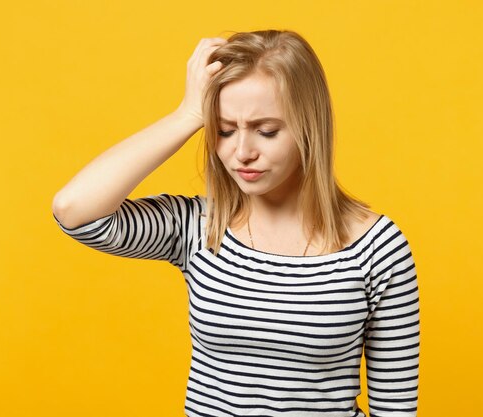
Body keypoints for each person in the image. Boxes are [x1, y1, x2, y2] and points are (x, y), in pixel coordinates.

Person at [52, 29, 420, 417]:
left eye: (267, 131)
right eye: (225, 130)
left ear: (309, 127)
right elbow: (74, 209)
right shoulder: (198, 227)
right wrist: (188, 114)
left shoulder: (378, 248)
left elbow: (395, 408)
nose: (242, 152)